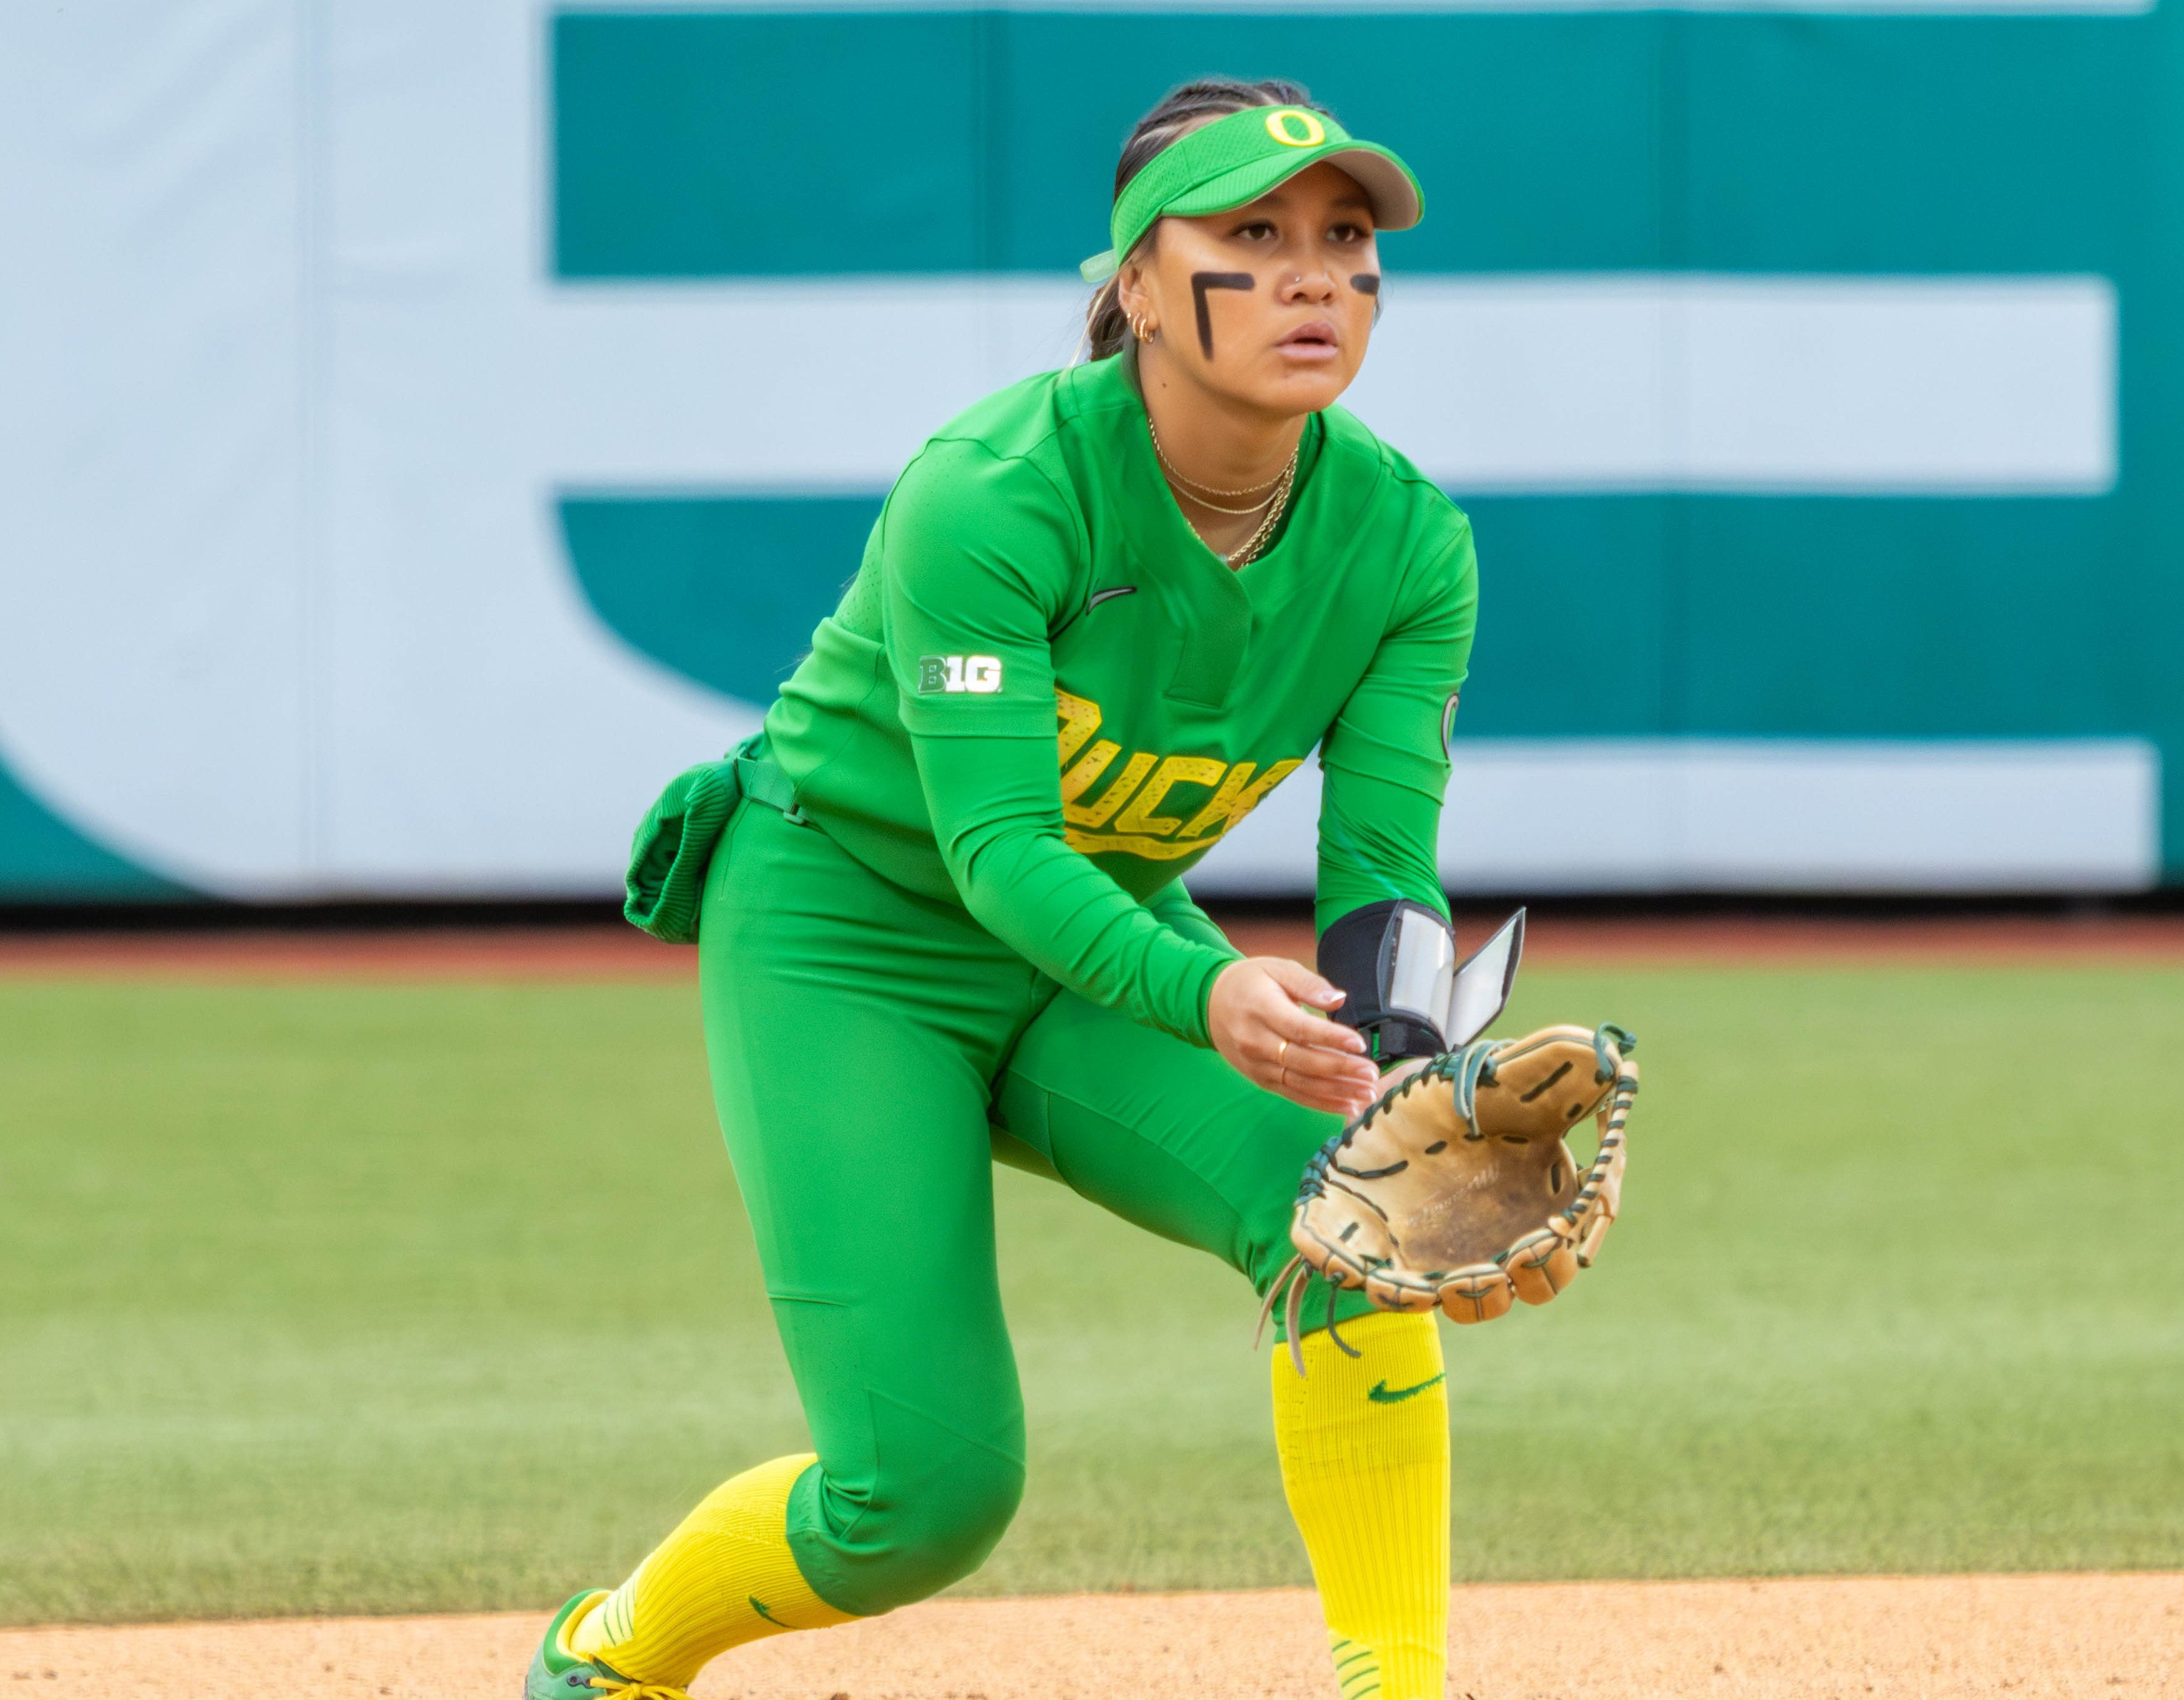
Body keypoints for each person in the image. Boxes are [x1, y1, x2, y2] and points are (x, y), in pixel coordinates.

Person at [528, 76, 1481, 1700]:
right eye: (1253, 234)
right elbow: (996, 854)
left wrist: (1398, 1052)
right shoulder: (995, 490)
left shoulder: (1404, 546)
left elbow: (1382, 868)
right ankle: (611, 1656)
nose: (1315, 275)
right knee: (925, 1499)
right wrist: (1211, 991)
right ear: (1134, 284)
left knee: (1351, 1211)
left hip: (1086, 940)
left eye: (1344, 238)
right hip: (852, 934)